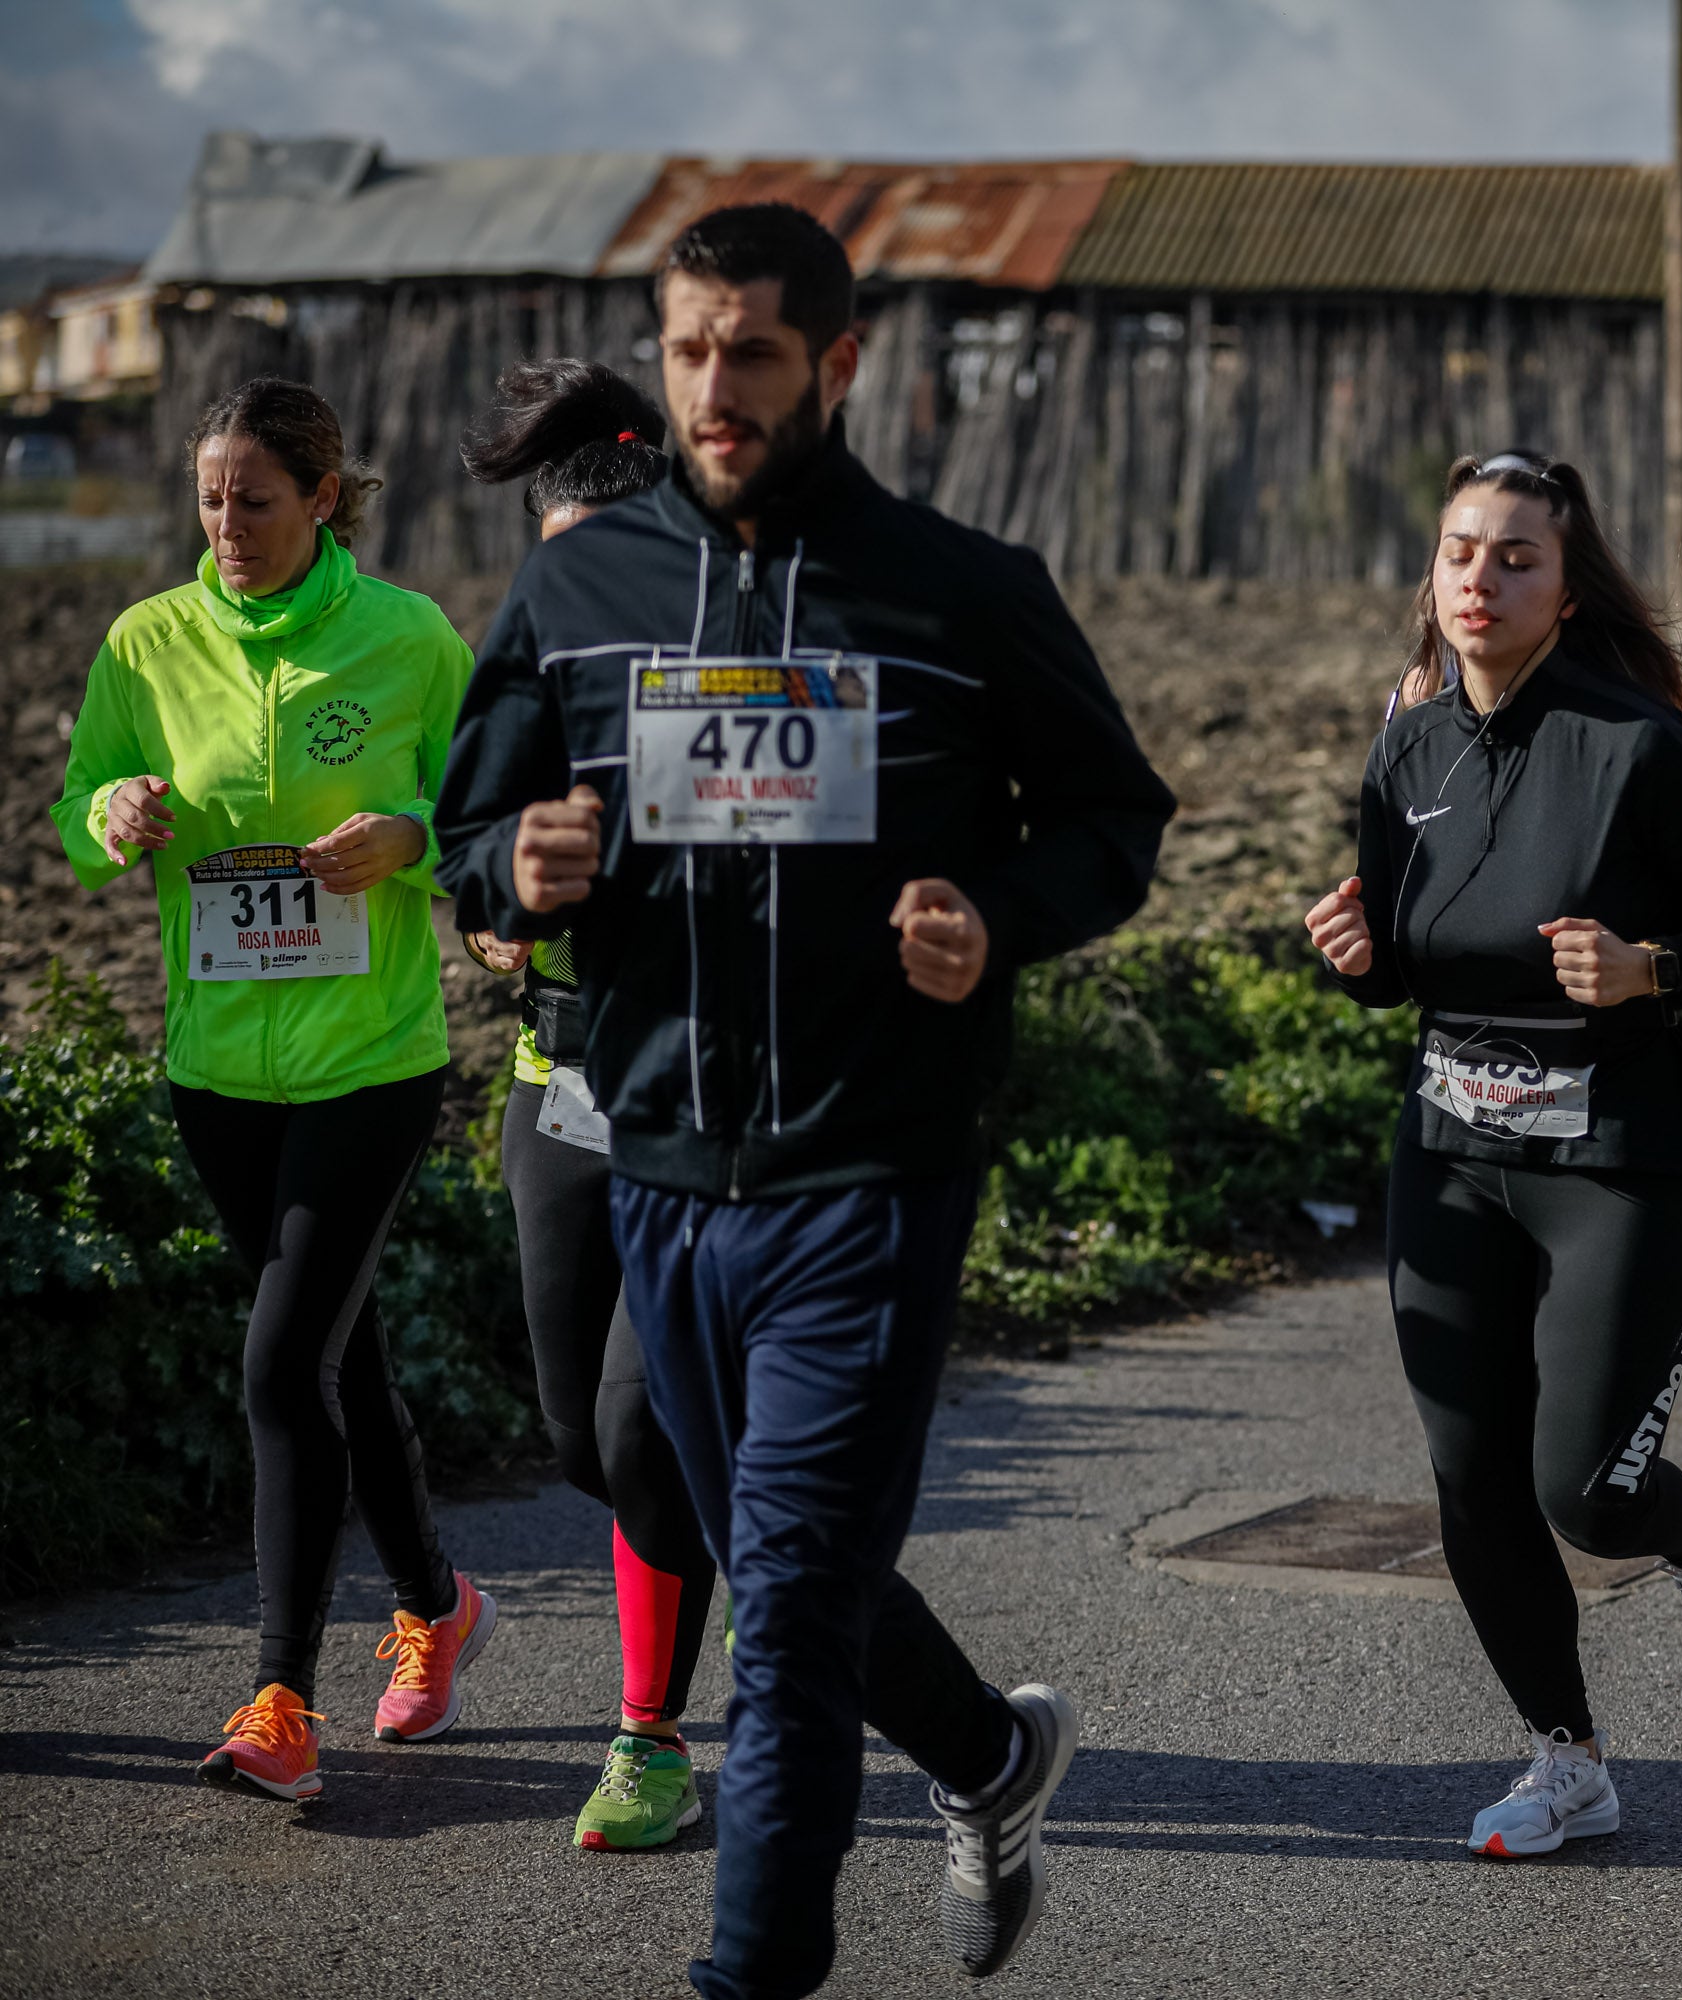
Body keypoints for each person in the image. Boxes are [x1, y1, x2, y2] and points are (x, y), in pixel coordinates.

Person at [438, 203, 1175, 1995]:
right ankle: (990, 1756)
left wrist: (996, 914)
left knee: (778, 1633)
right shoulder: (579, 590)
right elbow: (473, 825)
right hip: (658, 1168)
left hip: (871, 1173)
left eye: (754, 352)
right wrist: (509, 867)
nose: (716, 386)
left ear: (836, 365)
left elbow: (1113, 821)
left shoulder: (961, 590)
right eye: (690, 348)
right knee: (777, 1572)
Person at [1303, 449, 1682, 1857]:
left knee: (1582, 1487)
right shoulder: (1407, 746)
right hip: (1452, 1150)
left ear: (1568, 592)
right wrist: (1358, 957)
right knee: (1471, 1474)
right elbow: (1405, 962)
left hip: (1618, 1161)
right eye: (1462, 551)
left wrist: (1650, 968)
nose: (1483, 578)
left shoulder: (1632, 744)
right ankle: (1566, 1760)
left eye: (1518, 558)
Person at [50, 377, 488, 1801]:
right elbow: (79, 812)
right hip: (218, 1069)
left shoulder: (410, 638)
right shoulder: (147, 641)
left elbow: (484, 815)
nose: (226, 525)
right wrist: (112, 812)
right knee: (337, 1358)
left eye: (253, 499)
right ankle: (437, 1606)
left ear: (323, 498)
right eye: (208, 500)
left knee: (281, 1364)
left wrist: (410, 838)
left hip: (372, 1062)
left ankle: (280, 1698)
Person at [452, 358, 719, 1850]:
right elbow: (468, 841)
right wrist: (497, 900)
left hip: (696, 1102)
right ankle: (743, 1543)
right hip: (557, 1094)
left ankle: (650, 1739)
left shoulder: (724, 667)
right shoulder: (533, 653)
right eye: (554, 562)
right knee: (576, 1439)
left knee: (637, 1424)